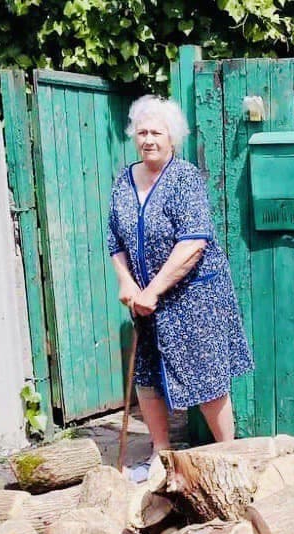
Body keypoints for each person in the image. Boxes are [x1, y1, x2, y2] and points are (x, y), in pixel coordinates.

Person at [107, 95, 254, 482]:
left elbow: (193, 243)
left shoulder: (184, 178)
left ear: (172, 138)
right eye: (142, 132)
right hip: (145, 299)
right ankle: (160, 456)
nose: (148, 140)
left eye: (157, 133)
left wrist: (153, 290)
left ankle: (229, 459)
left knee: (206, 377)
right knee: (147, 375)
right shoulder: (124, 180)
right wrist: (126, 281)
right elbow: (114, 240)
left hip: (194, 296)